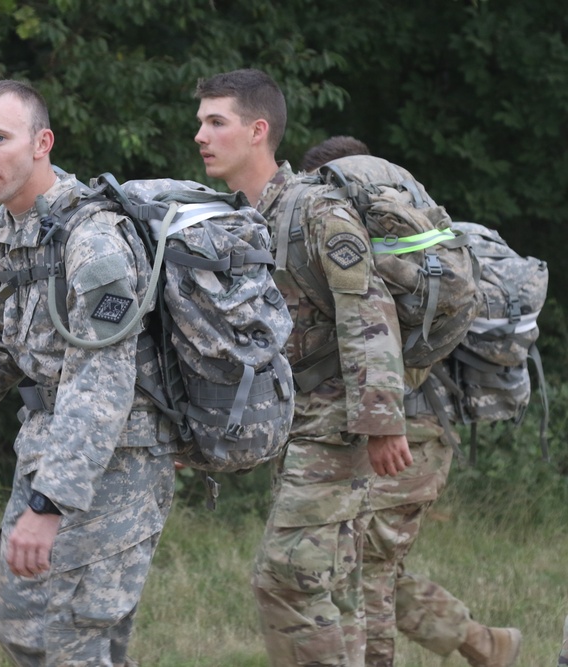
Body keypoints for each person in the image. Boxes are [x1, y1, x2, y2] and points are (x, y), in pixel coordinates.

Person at [0, 79, 175, 666]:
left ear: (42, 143)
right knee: (24, 620)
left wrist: (50, 505)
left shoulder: (94, 242)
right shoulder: (10, 228)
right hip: (47, 449)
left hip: (114, 462)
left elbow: (101, 382)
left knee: (67, 639)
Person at [193, 68, 413, 667]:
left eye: (216, 122)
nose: (201, 136)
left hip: (338, 421)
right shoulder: (236, 216)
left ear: (258, 130)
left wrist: (382, 421)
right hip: (295, 420)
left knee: (286, 579)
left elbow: (367, 311)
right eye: (201, 123)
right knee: (332, 580)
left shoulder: (316, 211)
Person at [300, 136, 522, 667]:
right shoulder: (413, 237)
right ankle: (485, 644)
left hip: (407, 433)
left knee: (362, 570)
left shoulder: (387, 247)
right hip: (407, 431)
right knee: (365, 565)